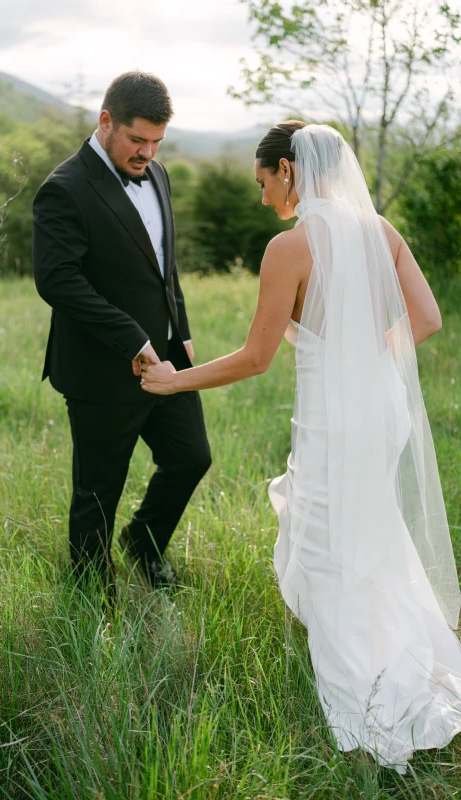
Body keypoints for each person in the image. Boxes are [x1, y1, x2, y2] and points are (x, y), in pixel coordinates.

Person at [141, 121, 461, 772]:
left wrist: (176, 381)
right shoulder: (383, 233)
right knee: (368, 532)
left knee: (327, 551)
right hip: (382, 409)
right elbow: (426, 319)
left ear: (288, 170)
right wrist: (366, 355)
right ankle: (405, 654)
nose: (263, 199)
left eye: (264, 183)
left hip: (334, 418)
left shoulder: (291, 248)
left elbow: (256, 358)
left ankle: (367, 712)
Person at [32, 71, 211, 602]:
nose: (147, 154)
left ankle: (144, 542)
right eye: (137, 140)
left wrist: (181, 331)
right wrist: (133, 339)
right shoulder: (63, 188)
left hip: (168, 358)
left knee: (190, 457)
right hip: (99, 365)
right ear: (105, 121)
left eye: (157, 142)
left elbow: (163, 265)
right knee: (98, 490)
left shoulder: (158, 176)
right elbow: (57, 281)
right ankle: (90, 597)